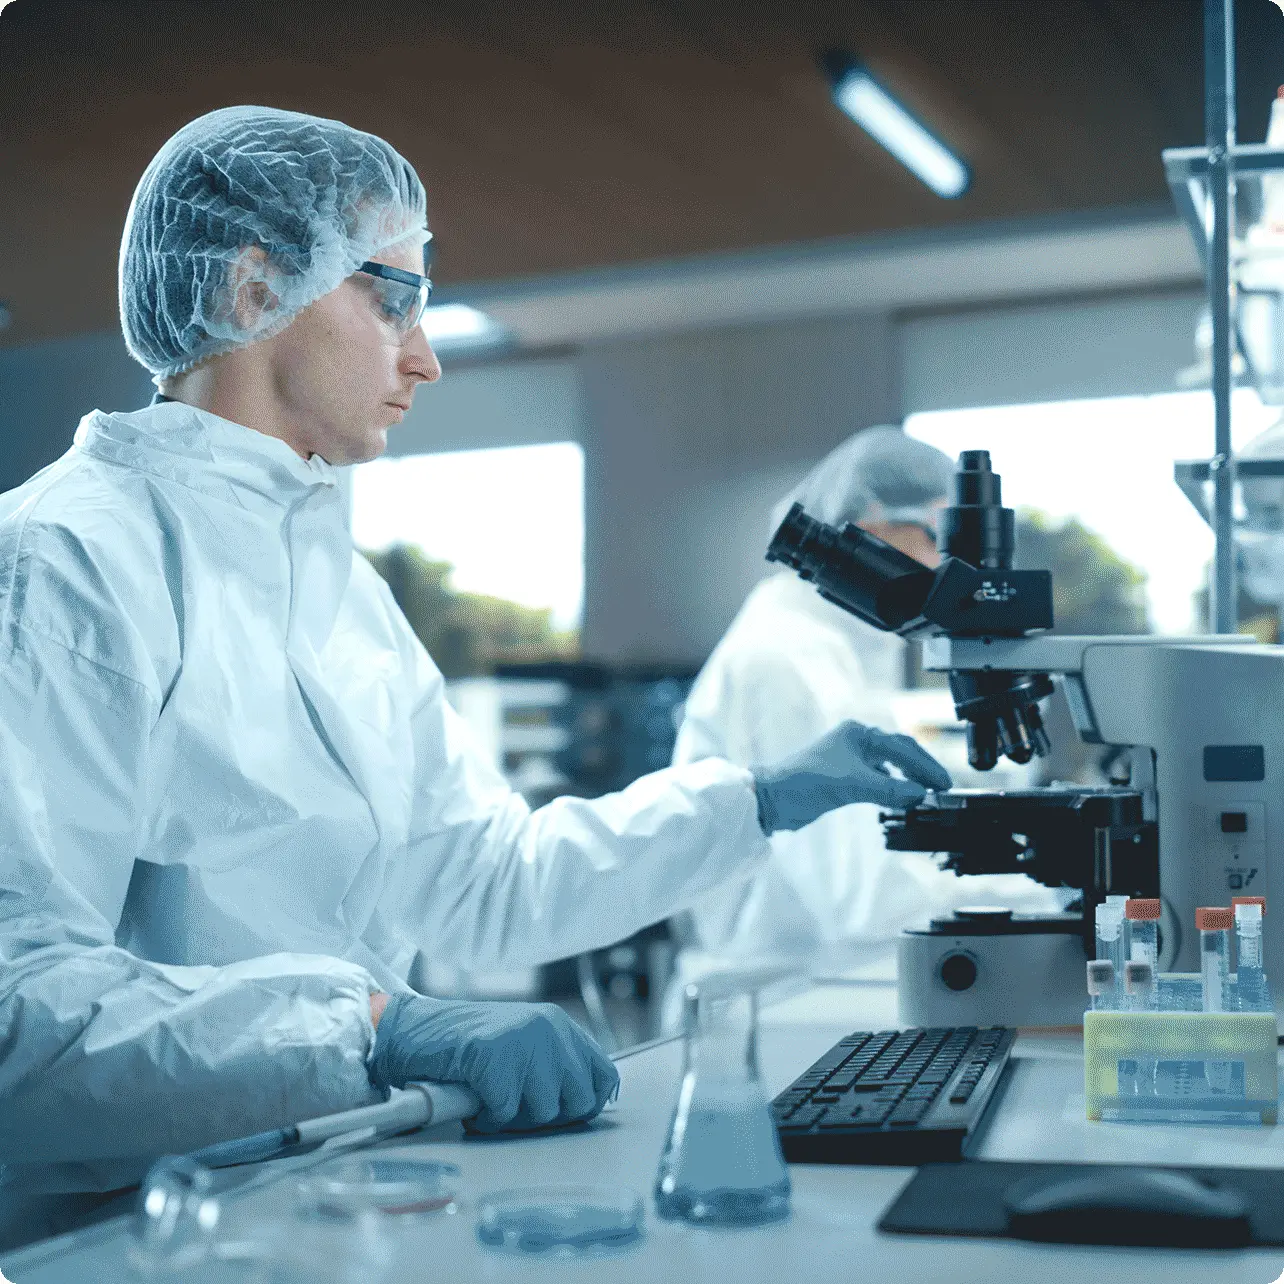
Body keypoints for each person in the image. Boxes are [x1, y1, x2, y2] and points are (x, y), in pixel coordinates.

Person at [0, 107, 953, 1196]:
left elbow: (487, 883)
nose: (427, 357)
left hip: (314, 1181)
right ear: (253, 290)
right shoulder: (62, 563)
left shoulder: (335, 589)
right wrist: (373, 1027)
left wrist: (758, 799)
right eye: (392, 298)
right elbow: (15, 1006)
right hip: (112, 1226)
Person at [668, 427, 1065, 1007]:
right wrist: (1052, 889)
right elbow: (867, 899)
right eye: (939, 535)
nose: (945, 563)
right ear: (872, 519)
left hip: (824, 976)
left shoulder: (835, 646)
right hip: (777, 997)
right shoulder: (785, 658)